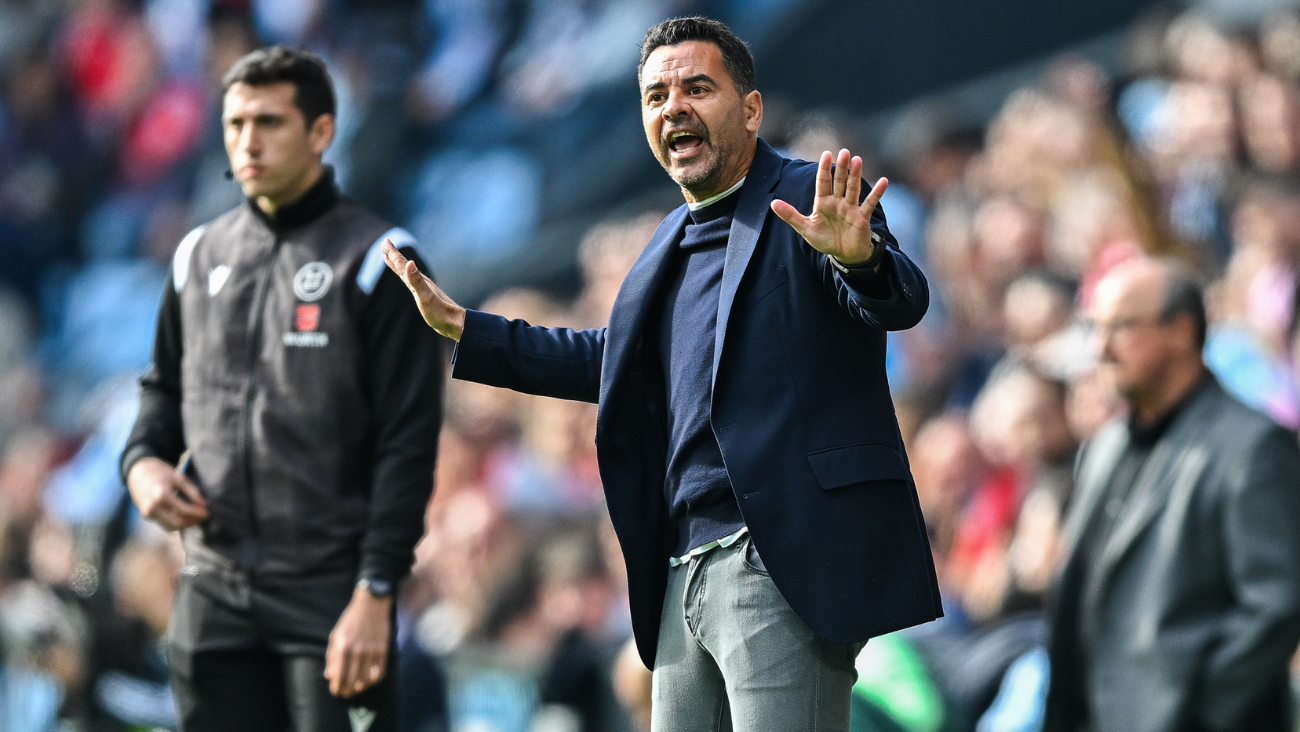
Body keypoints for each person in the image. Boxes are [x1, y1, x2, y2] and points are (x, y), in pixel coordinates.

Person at [383, 16, 941, 731]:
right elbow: (612, 362)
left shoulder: (808, 195)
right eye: (656, 96)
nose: (673, 107)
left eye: (697, 88)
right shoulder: (663, 244)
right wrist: (468, 330)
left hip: (778, 558)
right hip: (681, 568)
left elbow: (900, 300)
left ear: (750, 109)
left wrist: (859, 259)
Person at [119, 47, 445, 732]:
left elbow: (408, 444)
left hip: (331, 594)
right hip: (212, 591)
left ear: (321, 132)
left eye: (269, 122)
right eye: (235, 124)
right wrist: (143, 462)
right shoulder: (197, 256)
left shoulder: (378, 258)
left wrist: (376, 591)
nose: (248, 142)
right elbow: (163, 391)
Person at [1044, 258, 1300, 732]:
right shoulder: (1104, 445)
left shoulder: (1253, 446)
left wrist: (1195, 712)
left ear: (1181, 332)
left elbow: (1277, 605)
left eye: (1121, 327)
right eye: (1095, 328)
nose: (1101, 347)